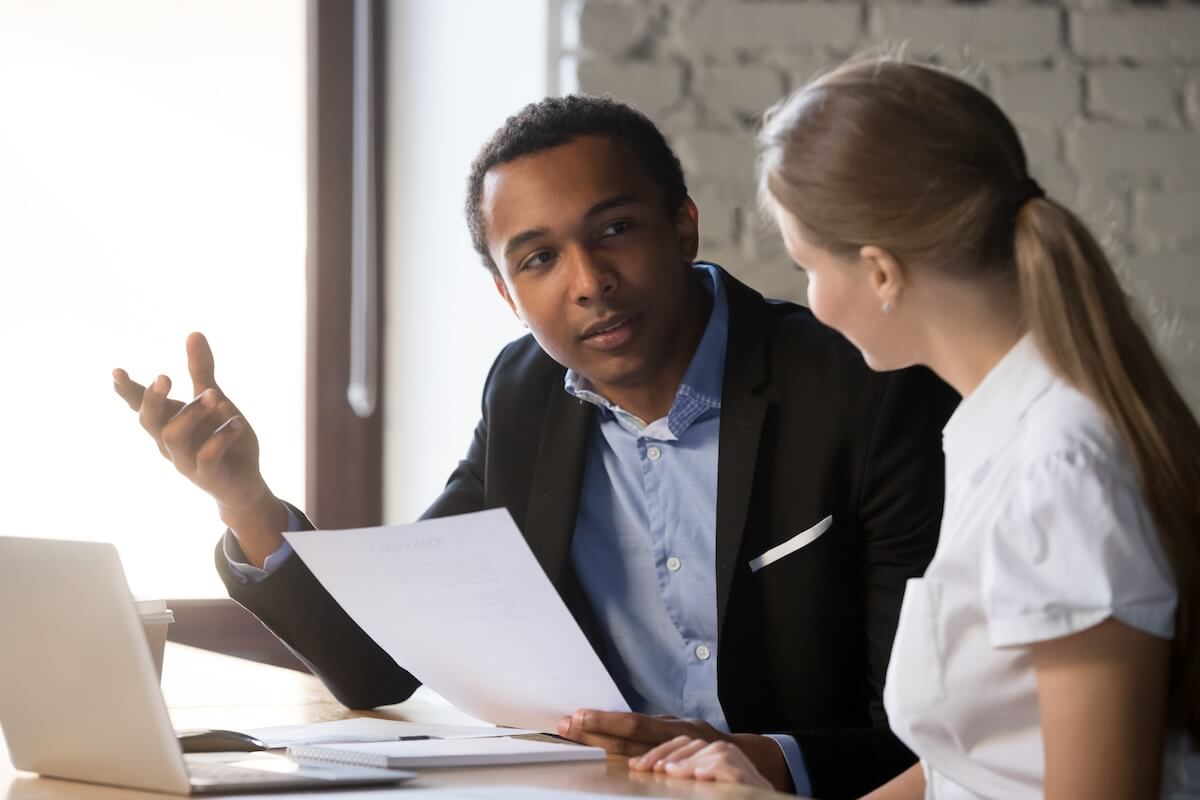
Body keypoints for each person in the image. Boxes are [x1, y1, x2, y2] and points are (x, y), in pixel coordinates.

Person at [112, 95, 957, 798]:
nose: (588, 281)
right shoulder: (525, 396)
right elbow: (379, 666)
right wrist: (244, 501)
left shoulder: (867, 390)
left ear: (683, 227)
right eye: (540, 258)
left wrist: (760, 757)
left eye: (616, 229)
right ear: (507, 294)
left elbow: (948, 730)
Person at [630, 59, 1200, 798]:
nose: (808, 299)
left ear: (880, 272)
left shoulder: (1059, 466)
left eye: (805, 265)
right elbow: (967, 768)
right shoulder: (991, 429)